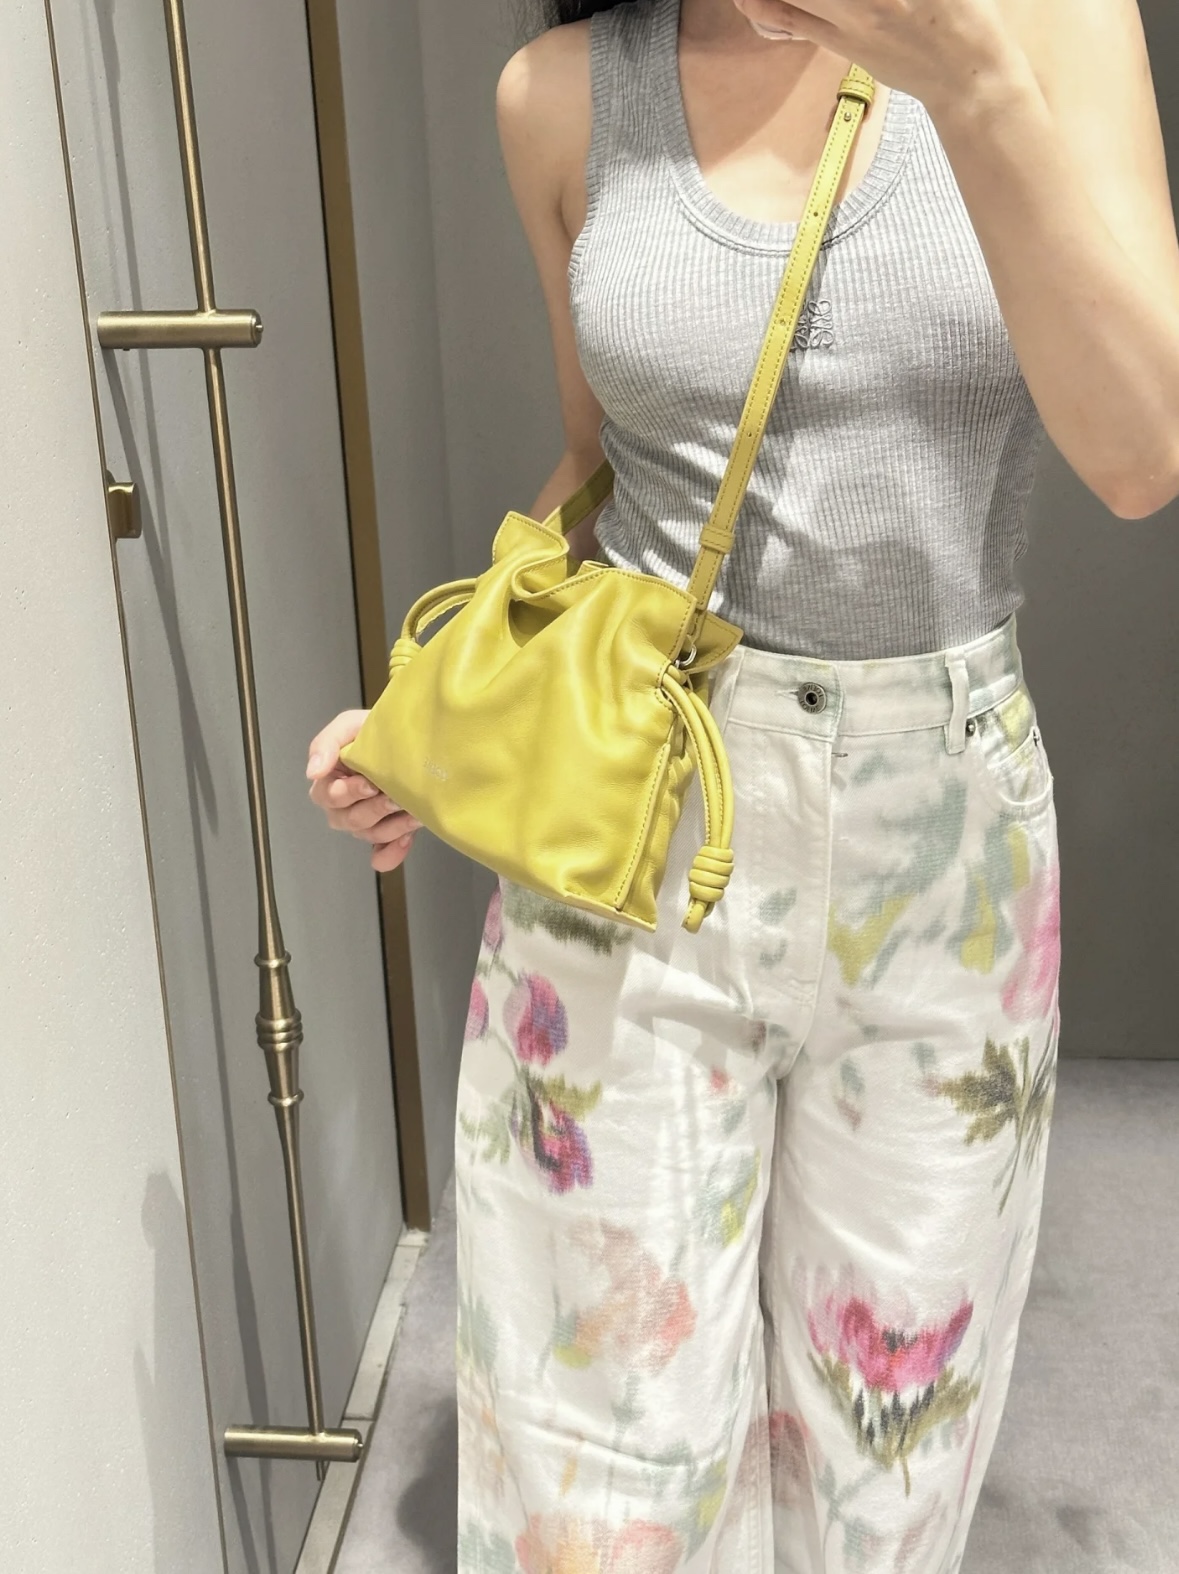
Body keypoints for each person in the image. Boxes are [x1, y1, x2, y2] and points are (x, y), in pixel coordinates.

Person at [307, 1, 1179, 1567]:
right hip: (638, 818)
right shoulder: (560, 92)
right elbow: (607, 467)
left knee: (884, 1462)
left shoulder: (1049, 30)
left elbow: (1142, 451)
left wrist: (973, 79)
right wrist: (442, 714)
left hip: (939, 848)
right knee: (600, 1459)